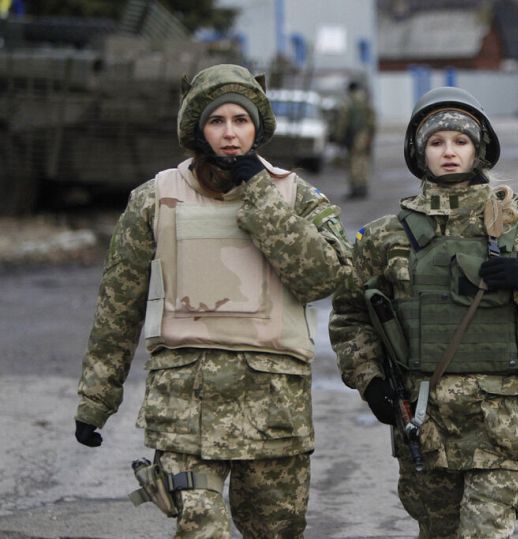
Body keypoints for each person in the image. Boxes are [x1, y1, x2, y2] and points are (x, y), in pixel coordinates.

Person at [73, 63, 352, 538]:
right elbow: (118, 308)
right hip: (185, 407)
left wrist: (259, 195)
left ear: (257, 128)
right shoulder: (154, 199)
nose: (229, 134)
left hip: (273, 411)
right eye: (216, 121)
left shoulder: (295, 196)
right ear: (197, 130)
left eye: (240, 121)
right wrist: (96, 400)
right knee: (203, 529)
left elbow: (325, 277)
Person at [329, 87, 518, 538]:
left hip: (502, 424)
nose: (449, 152)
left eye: (460, 141)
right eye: (436, 142)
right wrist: (370, 381)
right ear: (419, 152)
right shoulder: (383, 237)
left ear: (479, 149)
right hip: (424, 426)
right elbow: (350, 315)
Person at [336, 80, 376, 199]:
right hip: (365, 135)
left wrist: (339, 137)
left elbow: (342, 121)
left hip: (353, 136)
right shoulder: (366, 101)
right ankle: (363, 187)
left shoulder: (347, 102)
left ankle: (356, 189)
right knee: (363, 161)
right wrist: (371, 135)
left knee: (353, 162)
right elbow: (372, 120)